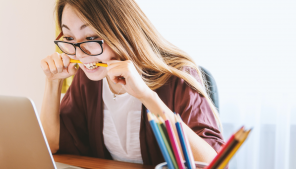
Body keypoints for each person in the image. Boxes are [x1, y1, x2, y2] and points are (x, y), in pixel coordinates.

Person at [40, 0, 224, 165]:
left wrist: (146, 96)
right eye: (69, 38)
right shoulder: (88, 79)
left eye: (91, 38)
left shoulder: (177, 77)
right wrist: (53, 82)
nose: (79, 54)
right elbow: (52, 144)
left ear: (121, 31)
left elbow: (212, 163)